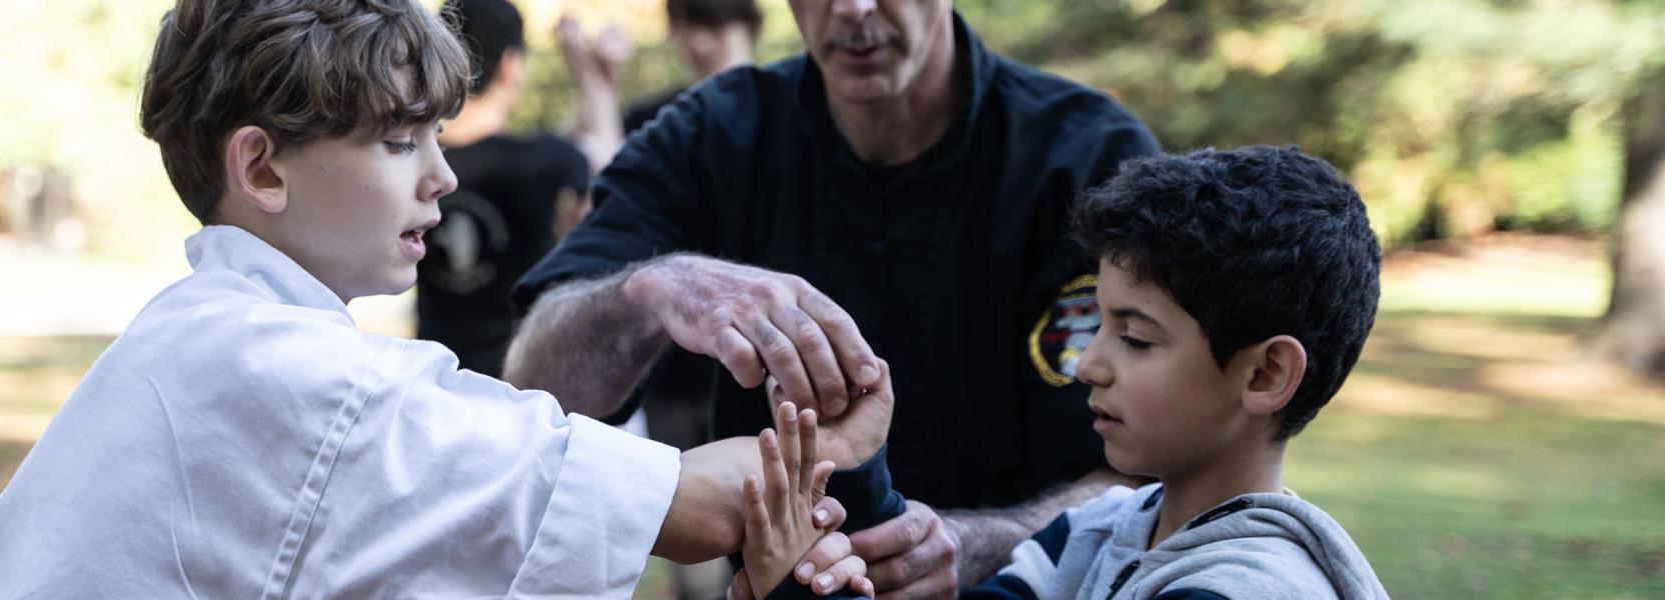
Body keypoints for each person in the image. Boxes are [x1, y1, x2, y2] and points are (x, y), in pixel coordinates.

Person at [0, 0, 880, 596]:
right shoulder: (295, 379)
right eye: (400, 141)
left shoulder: (192, 335)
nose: (441, 176)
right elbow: (697, 507)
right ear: (262, 167)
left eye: (436, 135)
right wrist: (840, 433)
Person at [506, 0, 1163, 595]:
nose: (851, 10)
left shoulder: (1087, 155)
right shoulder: (712, 132)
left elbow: (1153, 471)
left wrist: (983, 544)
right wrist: (646, 291)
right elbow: (535, 392)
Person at [760, 146, 1393, 600]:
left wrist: (792, 579)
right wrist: (855, 469)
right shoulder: (1098, 532)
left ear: (1263, 375)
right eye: (1099, 326)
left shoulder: (1240, 588)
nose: (1089, 364)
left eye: (1136, 338)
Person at [417, 0, 593, 377]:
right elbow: (604, 159)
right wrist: (583, 63)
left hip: (436, 379)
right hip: (521, 383)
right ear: (511, 65)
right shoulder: (544, 163)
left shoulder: (410, 160)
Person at [623, 0, 764, 134]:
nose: (699, 43)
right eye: (686, 26)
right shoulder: (651, 121)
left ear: (749, 26)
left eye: (713, 25)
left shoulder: (778, 108)